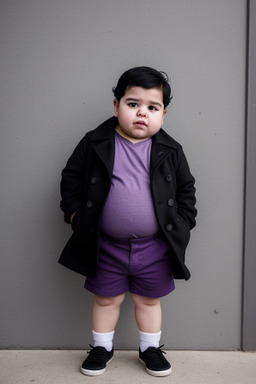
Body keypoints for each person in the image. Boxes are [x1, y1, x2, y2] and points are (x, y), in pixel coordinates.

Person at [59, 66, 197, 377]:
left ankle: (150, 347)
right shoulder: (95, 143)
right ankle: (101, 347)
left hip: (155, 247)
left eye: (152, 107)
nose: (141, 113)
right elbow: (71, 179)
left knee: (149, 301)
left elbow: (186, 189)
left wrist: (184, 222)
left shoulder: (170, 150)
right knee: (106, 299)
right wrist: (75, 216)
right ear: (116, 105)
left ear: (164, 113)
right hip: (105, 245)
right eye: (132, 104)